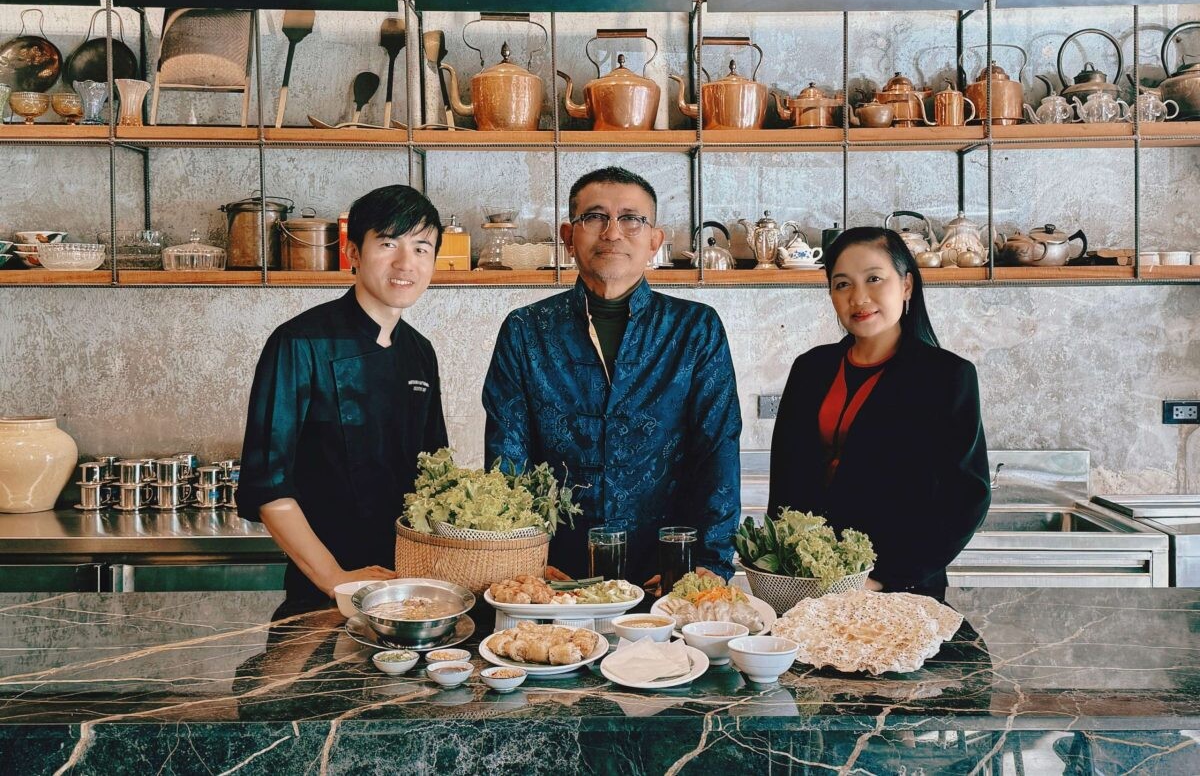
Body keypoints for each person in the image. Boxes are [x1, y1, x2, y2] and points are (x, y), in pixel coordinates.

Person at [482, 166, 742, 587]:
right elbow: (508, 459)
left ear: (655, 241)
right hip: (555, 573)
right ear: (569, 237)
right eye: (595, 217)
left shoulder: (695, 329)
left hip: (670, 572)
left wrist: (709, 565)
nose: (612, 233)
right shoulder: (526, 330)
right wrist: (521, 562)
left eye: (631, 219)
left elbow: (717, 450)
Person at [237, 185, 448, 615]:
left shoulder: (420, 352)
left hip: (407, 589)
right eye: (388, 243)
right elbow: (268, 486)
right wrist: (336, 580)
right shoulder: (299, 342)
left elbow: (435, 476)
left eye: (421, 248)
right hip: (322, 591)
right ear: (352, 252)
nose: (406, 263)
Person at [768, 226, 990, 601]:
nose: (859, 297)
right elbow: (785, 478)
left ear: (906, 286)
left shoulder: (946, 376)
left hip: (901, 588)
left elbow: (966, 497)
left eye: (874, 279)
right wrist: (781, 560)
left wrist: (883, 578)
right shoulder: (811, 368)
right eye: (842, 285)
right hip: (809, 585)